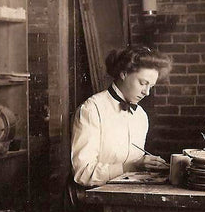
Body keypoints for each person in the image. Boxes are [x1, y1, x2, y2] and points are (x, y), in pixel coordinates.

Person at [70, 45, 171, 187]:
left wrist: (147, 164)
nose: (147, 92)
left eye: (151, 86)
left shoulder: (140, 115)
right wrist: (130, 166)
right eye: (143, 83)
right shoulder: (92, 110)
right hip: (96, 199)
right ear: (123, 73)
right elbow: (82, 173)